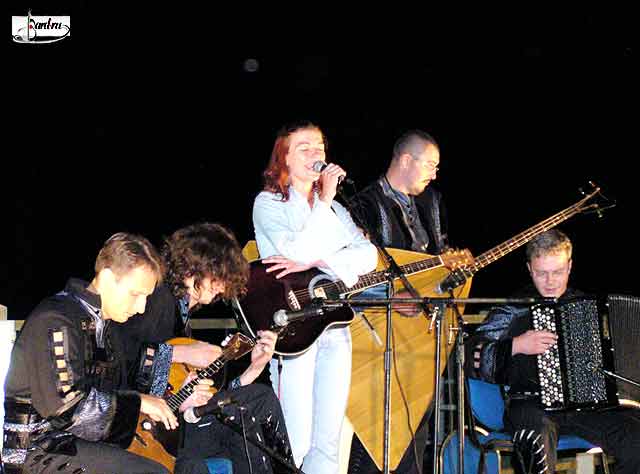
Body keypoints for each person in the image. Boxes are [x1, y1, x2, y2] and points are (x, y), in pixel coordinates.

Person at [114, 222, 293, 474]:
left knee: (248, 407)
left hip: (176, 427)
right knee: (258, 401)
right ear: (195, 266)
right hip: (143, 430)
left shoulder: (182, 315)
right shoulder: (157, 299)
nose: (222, 286)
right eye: (218, 275)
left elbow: (205, 397)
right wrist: (183, 353)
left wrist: (253, 369)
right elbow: (123, 360)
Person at [252, 120, 378, 473]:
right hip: (293, 328)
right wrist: (323, 203)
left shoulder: (337, 209)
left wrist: (319, 261)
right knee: (295, 438)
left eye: (319, 147)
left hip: (334, 324)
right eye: (304, 148)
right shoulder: (269, 203)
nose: (315, 154)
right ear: (284, 158)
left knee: (328, 440)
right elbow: (293, 250)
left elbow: (368, 256)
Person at [1, 233, 183, 473]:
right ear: (106, 278)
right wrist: (138, 403)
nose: (141, 308)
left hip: (74, 444)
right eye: (135, 294)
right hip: (35, 452)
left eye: (146, 298)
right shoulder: (55, 319)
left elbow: (130, 375)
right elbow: (66, 409)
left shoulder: (105, 326)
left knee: (167, 460)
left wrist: (183, 387)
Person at [466, 229, 640, 474]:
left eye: (557, 272)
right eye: (541, 273)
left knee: (636, 437)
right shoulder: (513, 309)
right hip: (530, 406)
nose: (550, 282)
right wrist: (516, 345)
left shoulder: (585, 307)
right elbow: (468, 353)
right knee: (535, 445)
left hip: (584, 409)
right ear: (529, 269)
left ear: (569, 267)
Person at [347, 129, 447, 474]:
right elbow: (351, 278)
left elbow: (436, 258)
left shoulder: (432, 203)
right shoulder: (362, 205)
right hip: (378, 338)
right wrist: (392, 296)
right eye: (430, 165)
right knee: (377, 424)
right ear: (406, 160)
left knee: (417, 421)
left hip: (421, 335)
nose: (435, 174)